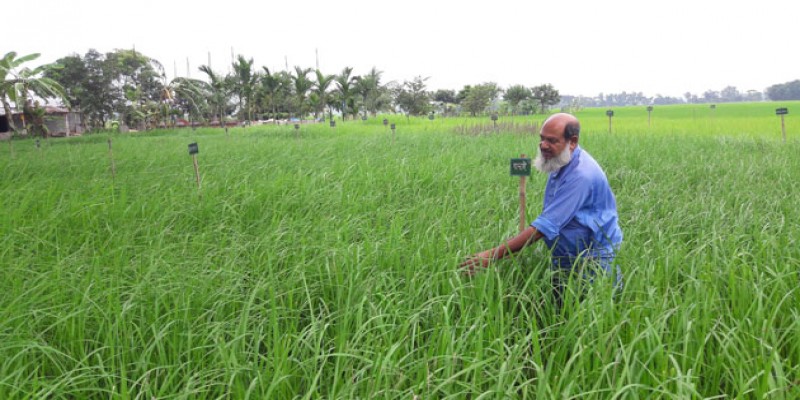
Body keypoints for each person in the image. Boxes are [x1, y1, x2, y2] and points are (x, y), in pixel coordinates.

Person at [460, 113, 623, 303]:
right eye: (542, 138)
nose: (543, 145)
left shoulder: (581, 175)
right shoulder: (560, 160)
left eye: (552, 140)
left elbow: (545, 227)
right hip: (567, 254)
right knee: (560, 308)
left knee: (590, 313)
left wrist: (493, 255)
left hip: (591, 260)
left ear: (572, 141)